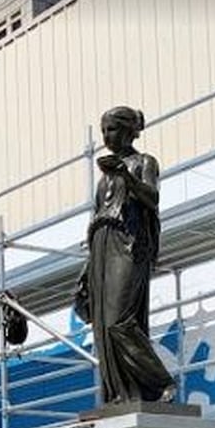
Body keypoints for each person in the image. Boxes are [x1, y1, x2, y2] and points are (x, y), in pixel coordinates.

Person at [75, 105, 176, 405]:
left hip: (128, 242)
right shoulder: (103, 179)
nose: (107, 135)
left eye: (114, 129)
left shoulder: (144, 162)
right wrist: (87, 267)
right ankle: (122, 393)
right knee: (103, 325)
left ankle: (160, 383)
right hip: (101, 246)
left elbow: (152, 198)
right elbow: (96, 217)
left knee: (120, 320)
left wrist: (126, 177)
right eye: (104, 130)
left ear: (131, 131)